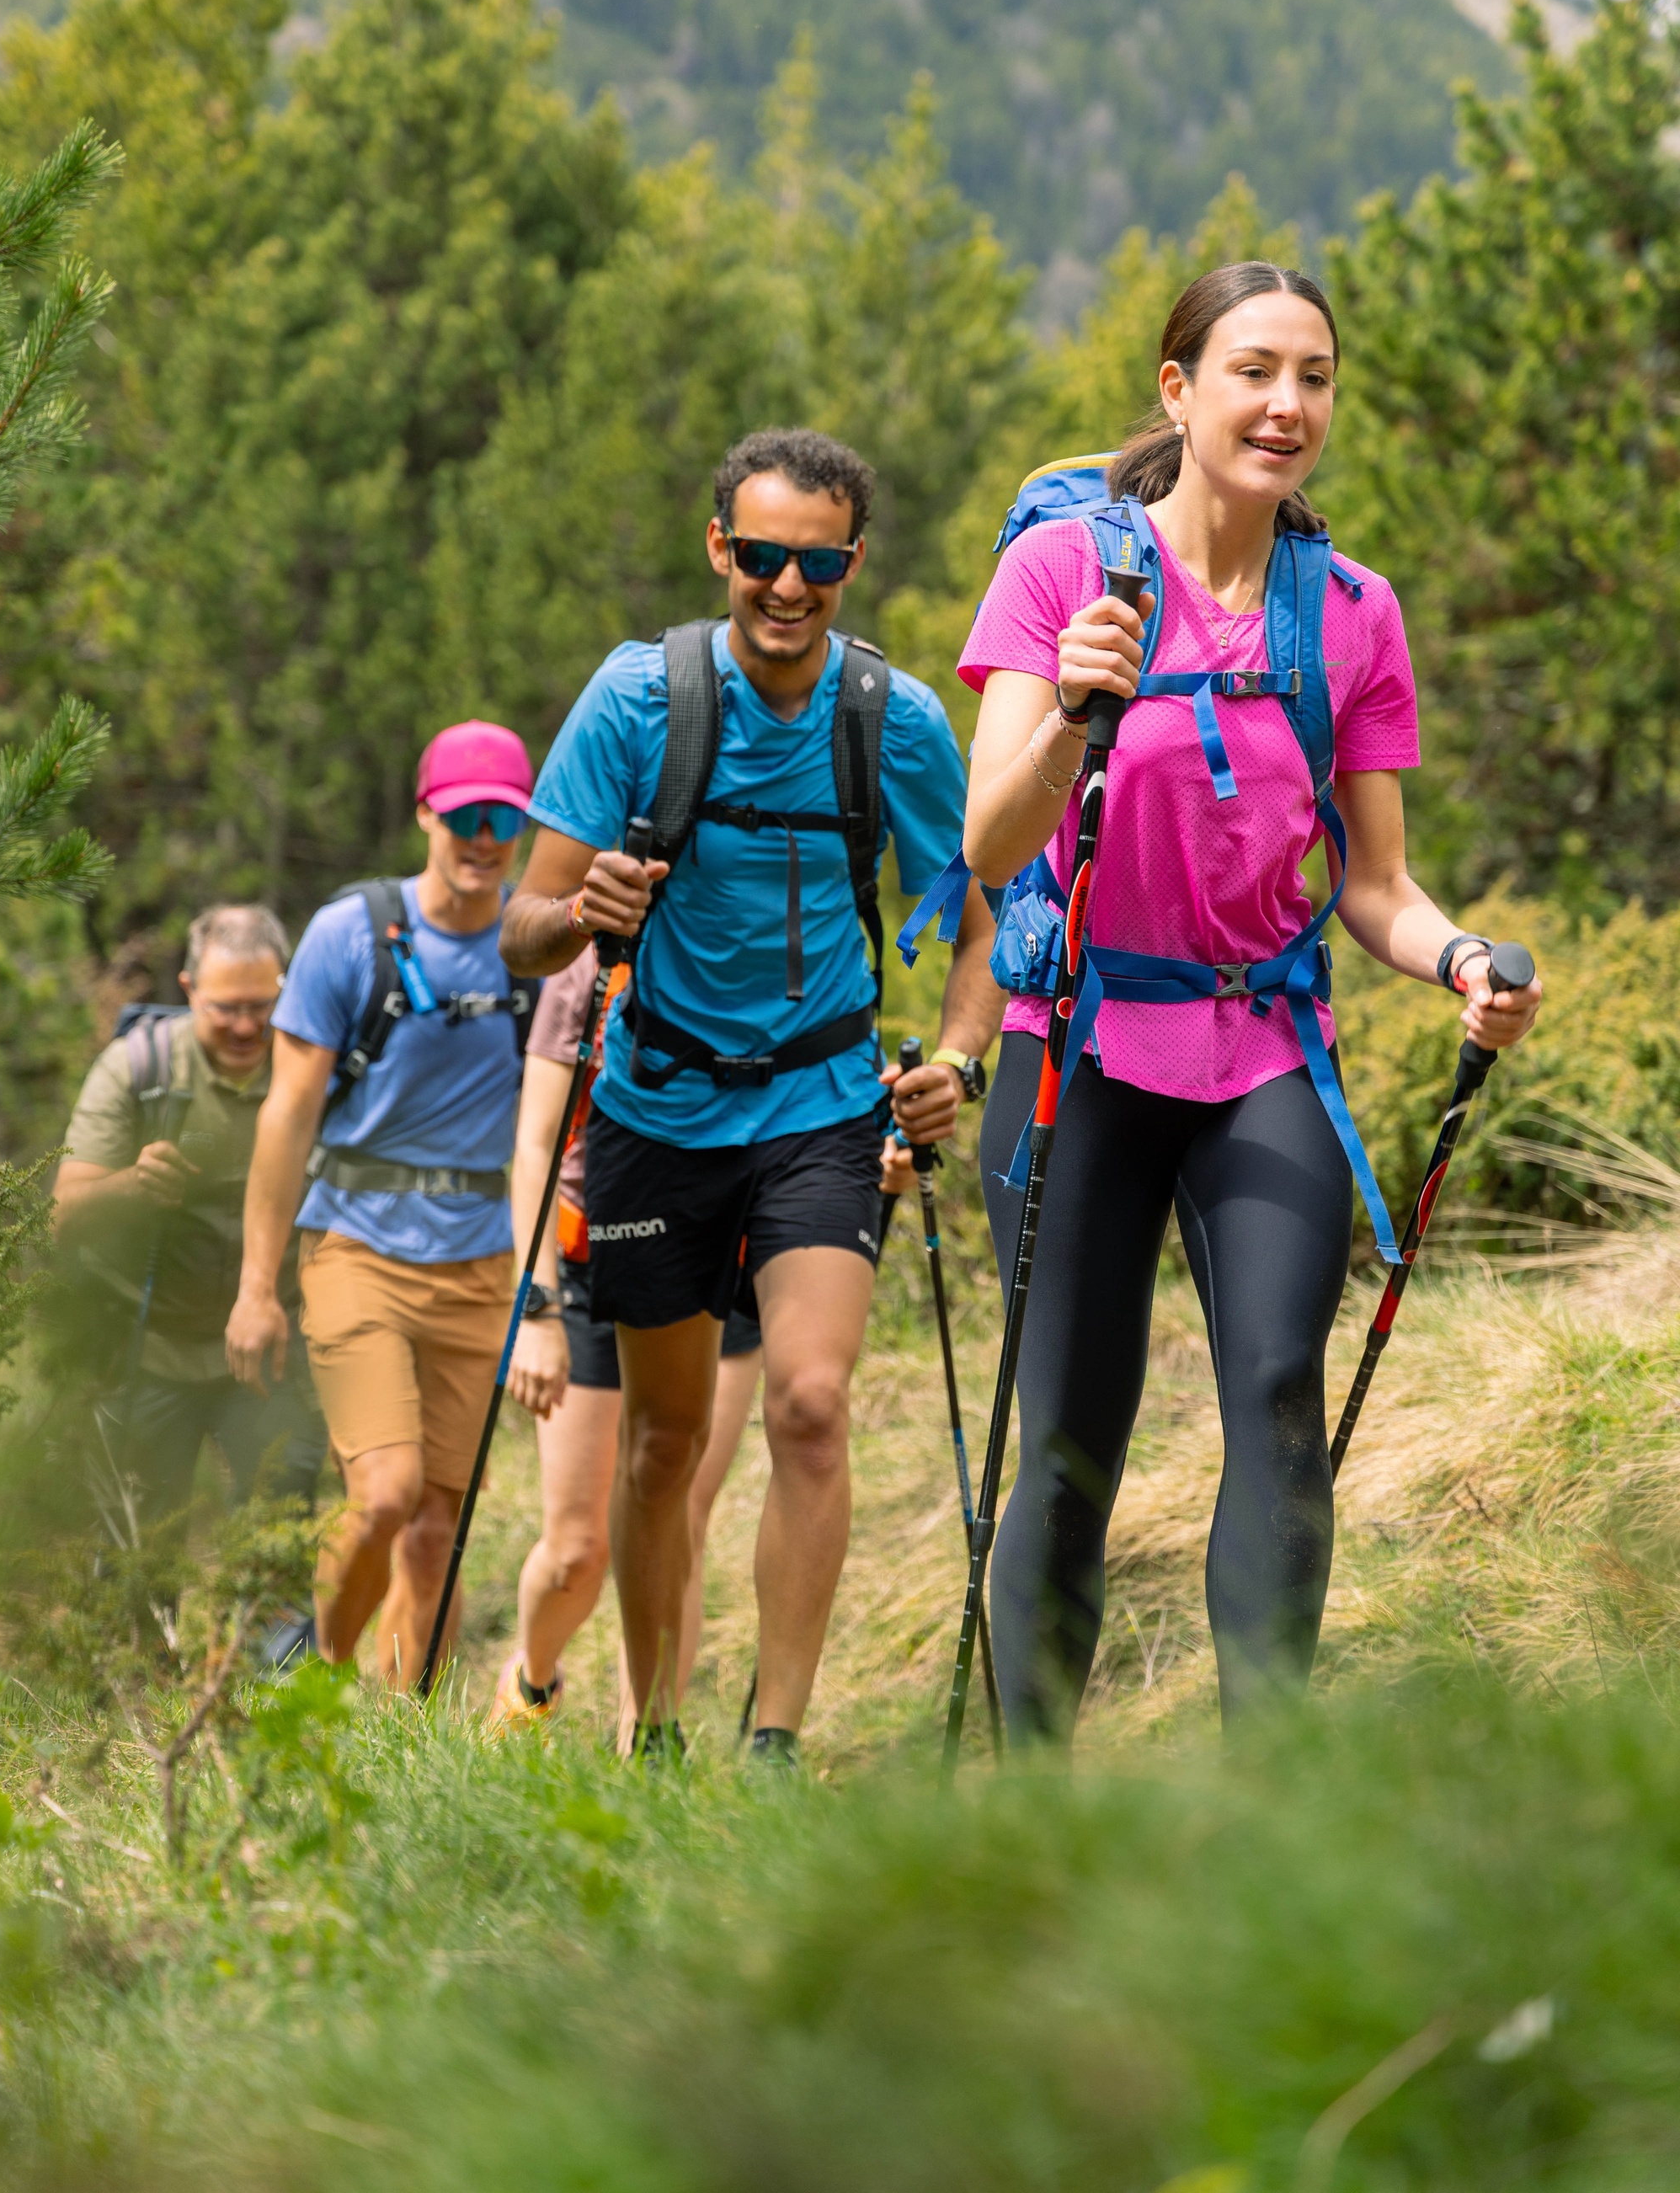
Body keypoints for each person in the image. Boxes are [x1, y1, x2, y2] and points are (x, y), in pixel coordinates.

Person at [955, 261, 1543, 1736]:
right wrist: (1077, 713)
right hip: (1074, 1046)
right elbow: (991, 843)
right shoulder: (1061, 577)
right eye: (1255, 370)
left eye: (1317, 378)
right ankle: (1035, 1820)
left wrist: (1463, 957)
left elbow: (1376, 886)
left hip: (1265, 1048)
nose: (1288, 404)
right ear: (1180, 388)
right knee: (1071, 1444)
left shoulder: (1352, 612)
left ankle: (1261, 1816)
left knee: (1281, 1399)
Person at [501, 426, 997, 1766]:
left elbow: (982, 906)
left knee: (812, 1403)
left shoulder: (890, 719)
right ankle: (653, 1727)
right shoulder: (638, 700)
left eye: (818, 563)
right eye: (764, 556)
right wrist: (580, 907)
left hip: (825, 1109)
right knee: (660, 1447)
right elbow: (522, 928)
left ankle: (773, 1742)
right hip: (656, 1111)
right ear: (721, 546)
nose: (788, 587)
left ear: (851, 562)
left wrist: (956, 1058)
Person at [487, 949, 933, 1741]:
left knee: (682, 1507)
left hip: (733, 1265)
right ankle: (530, 1679)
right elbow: (535, 1145)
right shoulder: (594, 966)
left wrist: (877, 1161)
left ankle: (645, 1742)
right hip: (598, 1261)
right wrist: (538, 1311)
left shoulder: (792, 947)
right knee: (577, 1550)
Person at [225, 721, 537, 1688]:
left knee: (439, 1525)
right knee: (388, 1493)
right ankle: (312, 1668)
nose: (483, 840)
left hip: (483, 1258)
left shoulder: (538, 943)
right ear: (423, 815)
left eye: (504, 821)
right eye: (463, 819)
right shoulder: (351, 933)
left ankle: (408, 1744)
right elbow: (285, 1117)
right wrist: (255, 1287)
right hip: (355, 1245)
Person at [54, 904, 325, 1521]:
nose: (245, 1026)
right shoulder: (137, 1069)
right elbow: (61, 1216)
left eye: (261, 1006)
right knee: (138, 1553)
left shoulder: (313, 1072)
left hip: (270, 1356)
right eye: (225, 1007)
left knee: (277, 1541)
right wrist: (133, 1186)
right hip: (149, 1355)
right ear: (189, 988)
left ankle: (278, 1626)